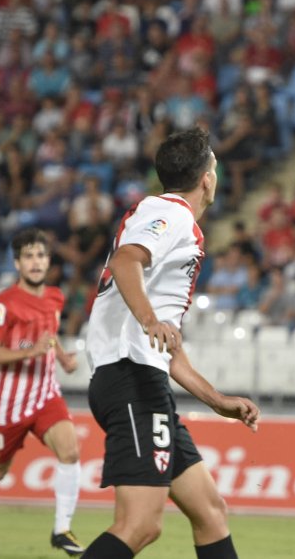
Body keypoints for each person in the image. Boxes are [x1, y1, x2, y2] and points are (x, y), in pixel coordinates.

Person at [80, 128, 260, 559]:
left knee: (211, 512)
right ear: (207, 179)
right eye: (214, 166)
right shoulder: (170, 214)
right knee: (140, 525)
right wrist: (149, 319)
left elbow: (164, 342)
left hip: (144, 380)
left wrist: (214, 398)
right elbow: (127, 260)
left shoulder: (170, 222)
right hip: (130, 381)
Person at [0, 228, 85, 557]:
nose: (36, 262)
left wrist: (63, 356)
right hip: (8, 403)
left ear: (48, 261)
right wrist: (31, 351)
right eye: (29, 256)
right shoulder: (3, 304)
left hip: (45, 394)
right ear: (17, 263)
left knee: (69, 452)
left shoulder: (55, 297)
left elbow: (49, 337)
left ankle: (62, 529)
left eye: (41, 255)